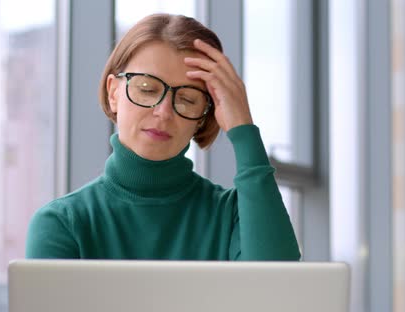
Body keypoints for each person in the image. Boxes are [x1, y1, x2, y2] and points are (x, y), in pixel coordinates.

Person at [25, 13, 300, 261]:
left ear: (205, 116)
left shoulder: (232, 217)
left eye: (188, 99)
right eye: (146, 88)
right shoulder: (63, 223)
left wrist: (244, 128)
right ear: (113, 93)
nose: (163, 111)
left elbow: (278, 292)